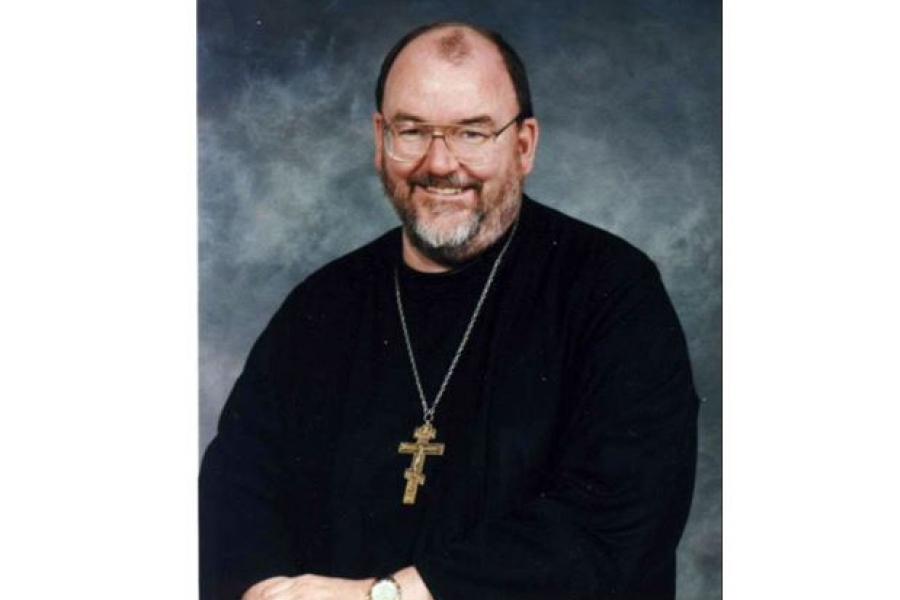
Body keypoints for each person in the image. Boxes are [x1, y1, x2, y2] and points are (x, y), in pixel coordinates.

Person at [200, 21, 699, 600]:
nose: (440, 164)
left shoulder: (611, 290)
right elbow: (236, 490)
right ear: (380, 137)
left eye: (472, 133)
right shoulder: (321, 306)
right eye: (412, 131)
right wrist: (264, 592)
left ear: (524, 144)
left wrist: (384, 596)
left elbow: (617, 525)